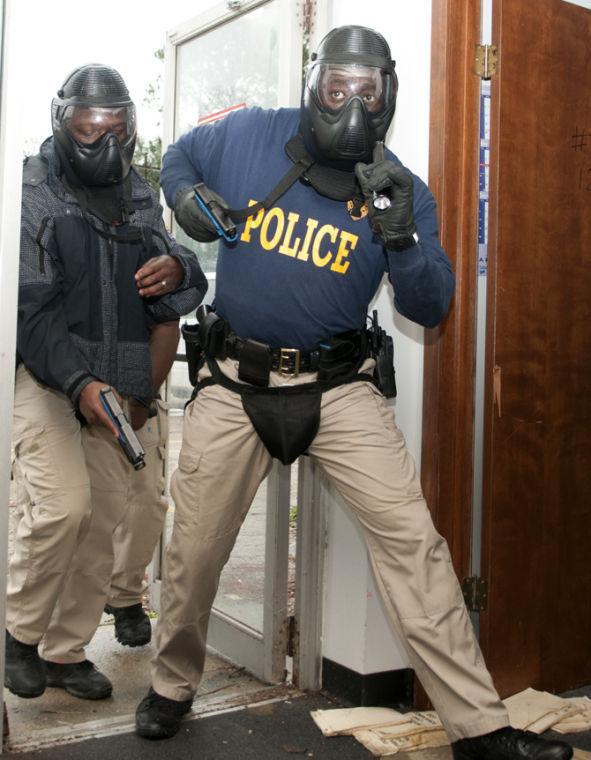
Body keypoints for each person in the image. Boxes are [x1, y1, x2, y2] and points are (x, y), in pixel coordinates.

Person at [134, 26, 572, 760]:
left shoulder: (401, 188)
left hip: (338, 388)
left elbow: (430, 309)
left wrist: (400, 239)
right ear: (314, 83)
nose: (351, 103)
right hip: (233, 380)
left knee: (415, 546)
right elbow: (180, 153)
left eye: (367, 90)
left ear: (387, 94)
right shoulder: (249, 134)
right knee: (193, 549)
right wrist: (185, 195)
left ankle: (478, 726)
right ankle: (172, 685)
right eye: (337, 85)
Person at [6, 63, 207, 701]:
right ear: (63, 126)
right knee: (63, 507)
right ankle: (18, 634)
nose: (102, 144)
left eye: (114, 129)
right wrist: (80, 383)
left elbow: (185, 282)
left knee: (103, 520)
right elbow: (29, 311)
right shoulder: (31, 189)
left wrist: (179, 269)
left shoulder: (141, 195)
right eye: (87, 129)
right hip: (48, 378)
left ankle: (66, 653)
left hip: (117, 386)